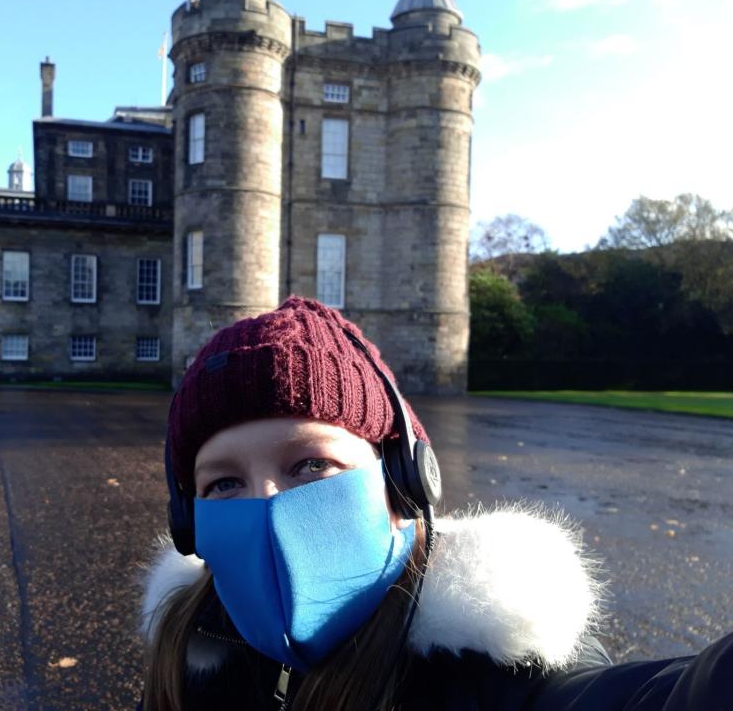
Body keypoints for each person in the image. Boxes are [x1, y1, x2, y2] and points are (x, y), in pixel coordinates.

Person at [139, 296, 732, 710]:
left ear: (404, 480)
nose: (266, 503)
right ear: (188, 520)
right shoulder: (193, 646)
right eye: (222, 484)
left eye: (312, 464)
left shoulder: (501, 673)